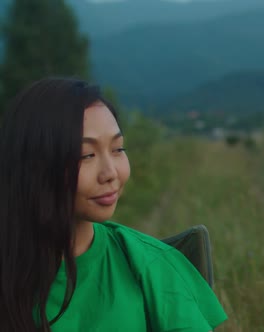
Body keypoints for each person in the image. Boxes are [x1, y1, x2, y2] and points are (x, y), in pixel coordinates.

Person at [0, 78, 227, 331]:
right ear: (34, 166)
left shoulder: (152, 267)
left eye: (118, 149)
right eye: (86, 155)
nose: (110, 173)